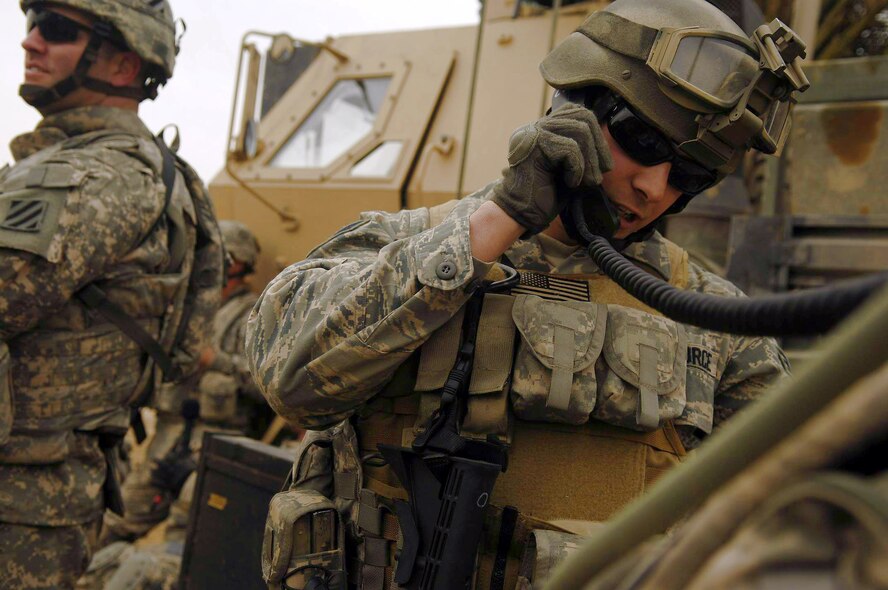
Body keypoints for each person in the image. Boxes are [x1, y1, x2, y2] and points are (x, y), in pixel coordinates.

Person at [247, 1, 806, 588]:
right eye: (644, 142)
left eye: (689, 176)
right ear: (575, 108)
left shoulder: (711, 316)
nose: (654, 188)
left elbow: (800, 502)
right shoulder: (405, 244)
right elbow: (291, 379)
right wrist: (497, 223)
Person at [0, 1, 224, 589]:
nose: (31, 42)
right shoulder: (91, 163)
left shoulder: (99, 174)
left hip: (20, 501)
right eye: (31, 24)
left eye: (56, 30)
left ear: (124, 64)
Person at [100, 220, 268, 546]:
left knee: (184, 535)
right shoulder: (190, 309)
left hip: (216, 444)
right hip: (168, 437)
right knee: (118, 521)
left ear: (234, 263)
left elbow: (268, 384)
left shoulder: (253, 315)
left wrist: (214, 360)